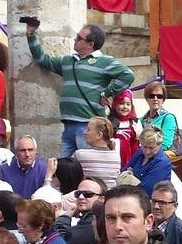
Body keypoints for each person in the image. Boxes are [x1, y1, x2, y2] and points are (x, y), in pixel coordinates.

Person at [25, 20, 135, 156]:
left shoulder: (105, 61)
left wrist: (107, 93)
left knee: (86, 167)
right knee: (65, 169)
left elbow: (128, 75)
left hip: (89, 125)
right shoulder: (68, 61)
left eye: (78, 38)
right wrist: (31, 34)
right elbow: (43, 59)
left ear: (90, 44)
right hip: (68, 124)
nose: (74, 40)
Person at [74, 117, 123, 192]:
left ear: (99, 135)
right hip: (111, 196)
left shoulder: (81, 155)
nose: (85, 132)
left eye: (88, 129)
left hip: (89, 196)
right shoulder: (116, 156)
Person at [127, 129, 173, 196]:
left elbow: (146, 191)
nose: (147, 151)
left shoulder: (162, 163)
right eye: (144, 147)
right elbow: (123, 172)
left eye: (151, 148)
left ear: (159, 145)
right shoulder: (140, 153)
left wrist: (129, 178)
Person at [140, 81, 178, 153]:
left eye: (159, 96)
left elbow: (165, 145)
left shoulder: (168, 118)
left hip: (158, 160)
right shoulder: (141, 120)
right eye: (152, 96)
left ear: (163, 100)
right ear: (147, 99)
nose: (155, 99)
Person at [110, 90, 141, 166]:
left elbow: (136, 144)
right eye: (121, 103)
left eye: (128, 104)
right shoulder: (109, 122)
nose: (125, 107)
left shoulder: (134, 123)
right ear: (115, 105)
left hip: (129, 160)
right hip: (113, 160)